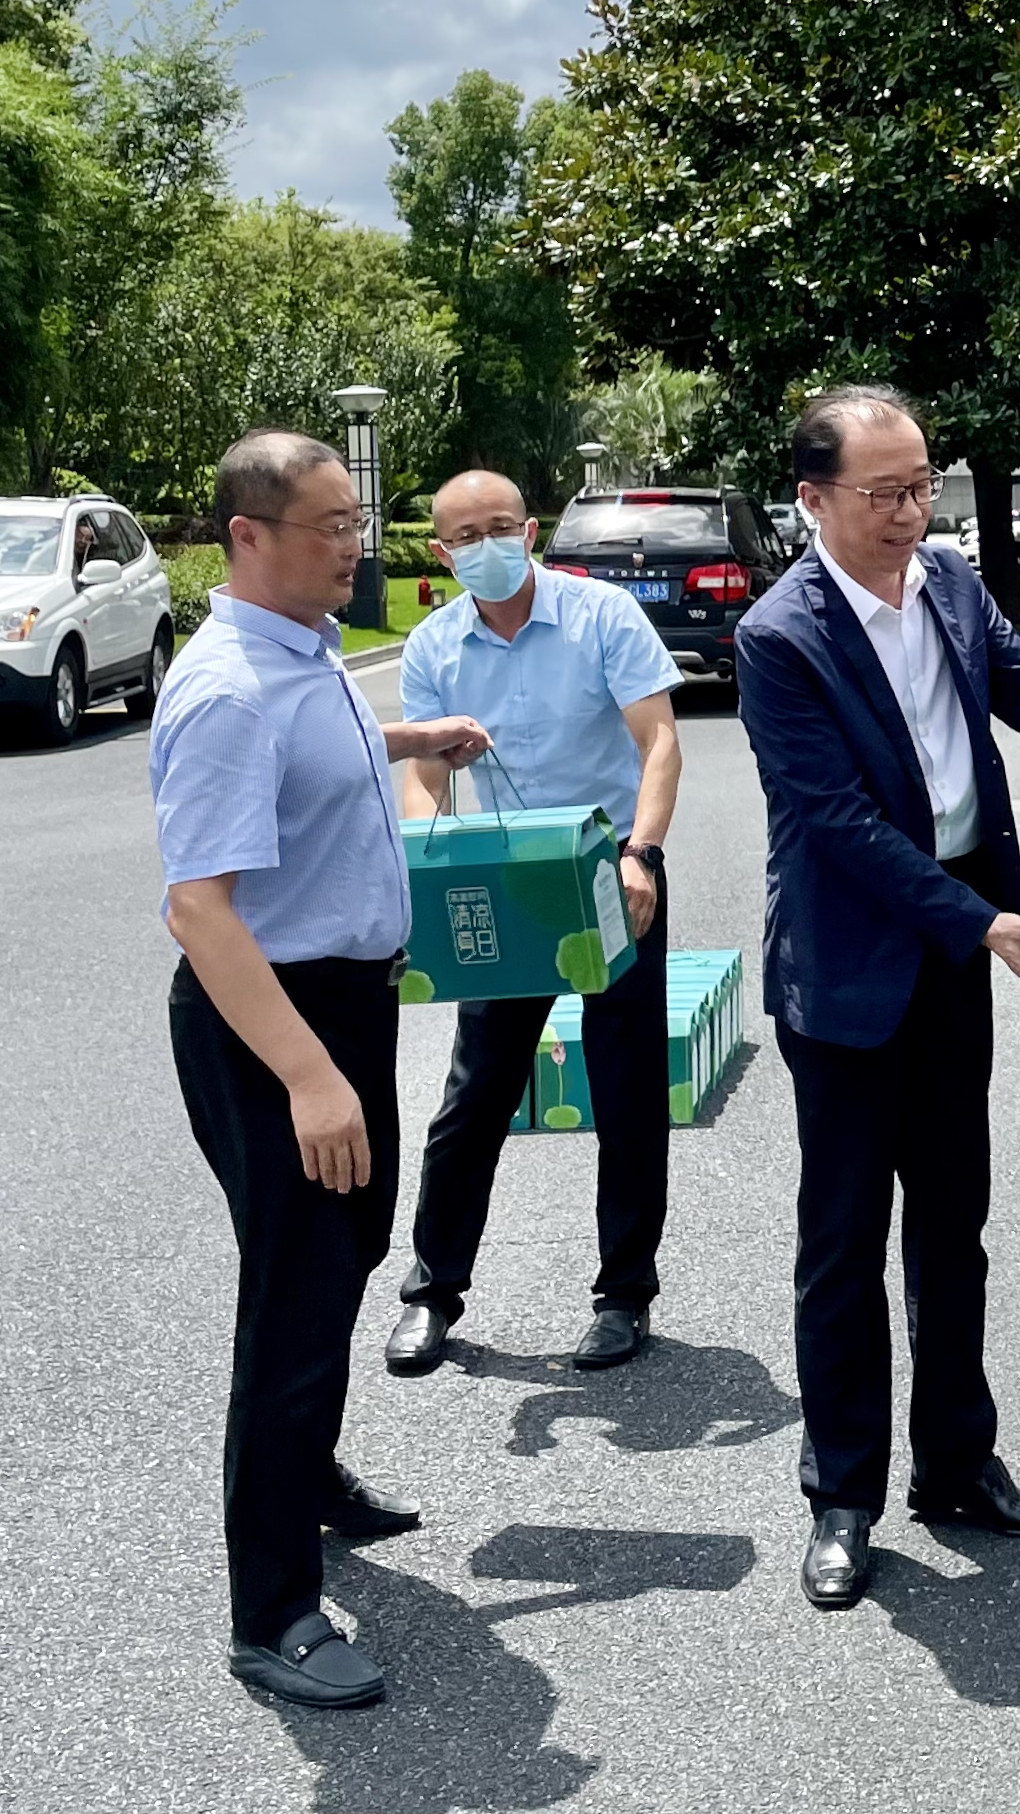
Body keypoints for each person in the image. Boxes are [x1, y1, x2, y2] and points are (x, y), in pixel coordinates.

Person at [735, 383, 1020, 1611]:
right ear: (813, 501)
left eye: (922, 486)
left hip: (957, 952)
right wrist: (977, 920)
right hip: (852, 970)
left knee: (954, 1226)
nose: (912, 511)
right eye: (885, 493)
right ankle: (843, 1494)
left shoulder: (953, 582)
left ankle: (958, 1464)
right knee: (844, 1243)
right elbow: (838, 823)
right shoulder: (781, 636)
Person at [151, 429, 488, 1709]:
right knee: (294, 1298)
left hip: (343, 1009)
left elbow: (317, 752)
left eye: (358, 521)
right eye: (330, 526)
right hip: (272, 1026)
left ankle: (310, 1471)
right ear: (247, 537)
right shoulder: (227, 691)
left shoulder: (304, 652)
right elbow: (201, 911)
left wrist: (411, 737)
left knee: (345, 1252)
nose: (356, 546)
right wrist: (308, 1077)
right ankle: (274, 1611)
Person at [381, 470, 686, 1376]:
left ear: (531, 531)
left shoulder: (601, 617)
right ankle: (433, 1291)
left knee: (627, 1091)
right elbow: (425, 774)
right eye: (465, 535)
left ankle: (624, 1294)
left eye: (501, 527)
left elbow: (659, 741)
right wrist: (429, 863)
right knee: (477, 1090)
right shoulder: (434, 646)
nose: (486, 545)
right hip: (507, 877)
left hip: (609, 869)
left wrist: (641, 853)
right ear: (442, 552)